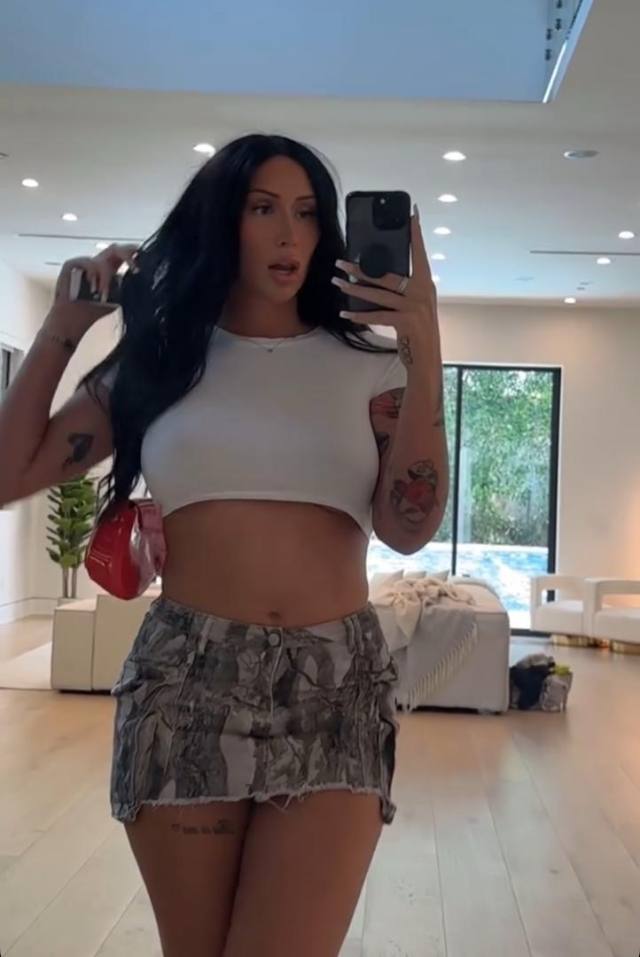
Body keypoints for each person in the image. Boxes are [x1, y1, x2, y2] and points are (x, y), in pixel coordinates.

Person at [0, 134, 448, 956]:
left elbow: (409, 526)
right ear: (221, 221)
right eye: (262, 208)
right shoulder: (162, 362)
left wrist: (425, 345)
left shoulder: (372, 369)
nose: (289, 234)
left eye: (306, 213)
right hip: (187, 685)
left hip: (336, 688)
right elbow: (8, 472)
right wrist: (63, 328)